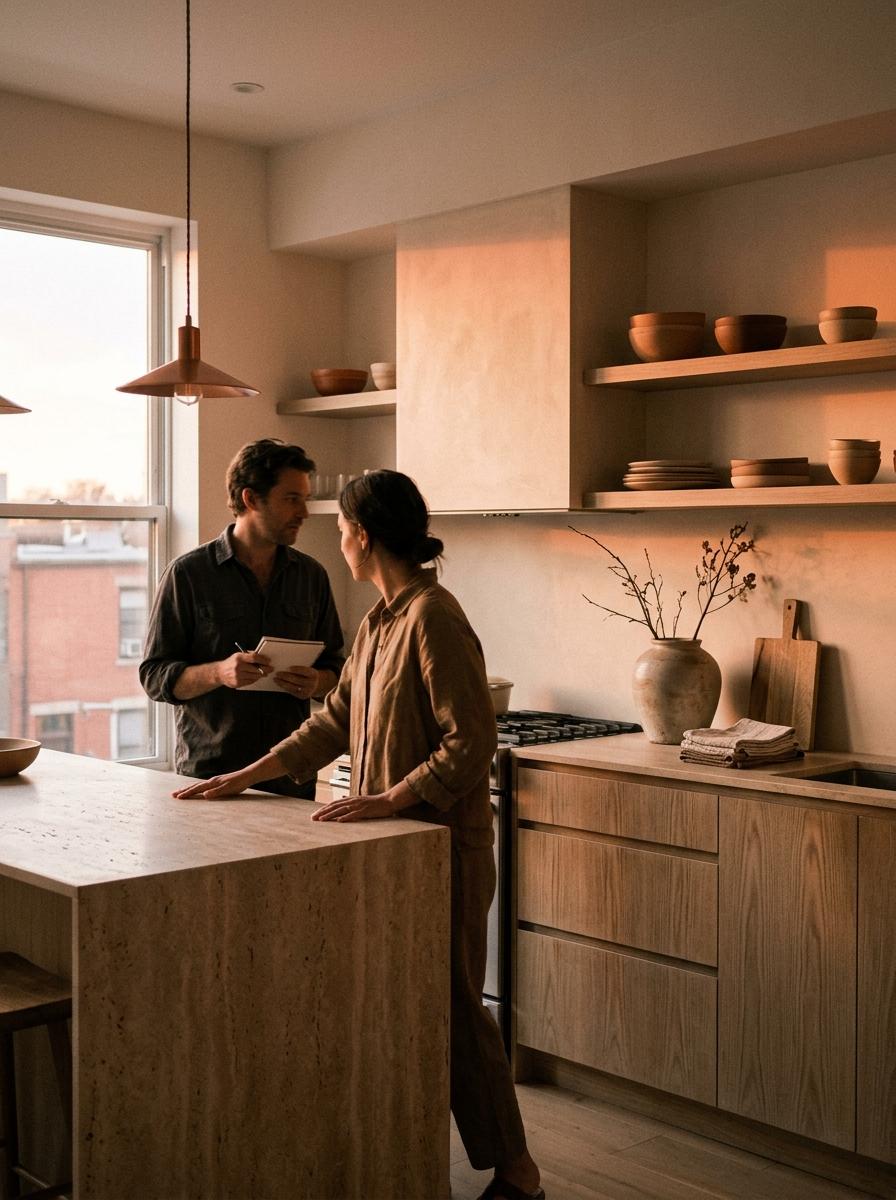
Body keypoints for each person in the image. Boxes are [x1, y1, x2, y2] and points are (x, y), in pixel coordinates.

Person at [171, 469, 544, 1200]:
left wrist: (390, 799)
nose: (333, 539)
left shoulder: (435, 616)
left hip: (446, 851)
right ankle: (395, 1151)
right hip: (392, 853)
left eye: (339, 527)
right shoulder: (378, 622)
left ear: (363, 536)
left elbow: (472, 743)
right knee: (402, 1002)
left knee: (456, 1010)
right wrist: (244, 776)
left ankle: (520, 1174)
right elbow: (331, 724)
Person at [140, 439, 345, 799]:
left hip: (291, 780)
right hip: (209, 778)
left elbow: (338, 672)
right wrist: (219, 672)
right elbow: (154, 676)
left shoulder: (312, 576)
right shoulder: (187, 575)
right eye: (291, 499)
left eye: (305, 499)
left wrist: (317, 682)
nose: (305, 512)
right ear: (251, 499)